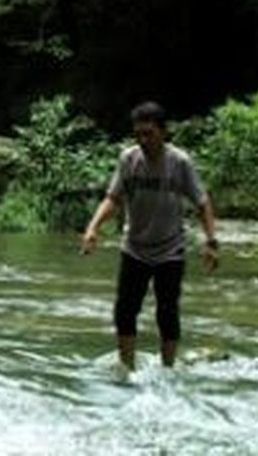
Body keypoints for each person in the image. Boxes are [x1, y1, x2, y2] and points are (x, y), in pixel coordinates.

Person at [80, 100, 219, 371]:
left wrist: (211, 242)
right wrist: (93, 227)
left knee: (167, 312)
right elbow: (113, 197)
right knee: (124, 311)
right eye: (139, 134)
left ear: (163, 132)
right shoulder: (128, 159)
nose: (143, 140)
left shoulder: (179, 162)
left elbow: (202, 202)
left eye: (149, 133)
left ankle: (168, 369)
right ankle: (127, 367)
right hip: (135, 247)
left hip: (170, 248)